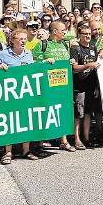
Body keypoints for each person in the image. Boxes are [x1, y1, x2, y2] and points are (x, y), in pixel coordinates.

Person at [0, 29, 39, 164]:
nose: (23, 41)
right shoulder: (3, 54)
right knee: (10, 122)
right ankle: (8, 152)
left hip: (25, 94)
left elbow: (33, 71)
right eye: (20, 39)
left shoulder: (29, 54)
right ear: (12, 40)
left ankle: (26, 150)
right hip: (10, 95)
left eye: (25, 39)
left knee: (26, 121)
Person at [32, 20, 76, 152]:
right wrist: (44, 61)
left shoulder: (64, 44)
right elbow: (33, 62)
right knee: (45, 112)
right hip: (47, 86)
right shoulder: (42, 45)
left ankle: (64, 141)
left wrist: (70, 62)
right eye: (62, 30)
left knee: (62, 111)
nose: (65, 32)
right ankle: (40, 141)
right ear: (55, 31)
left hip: (63, 85)